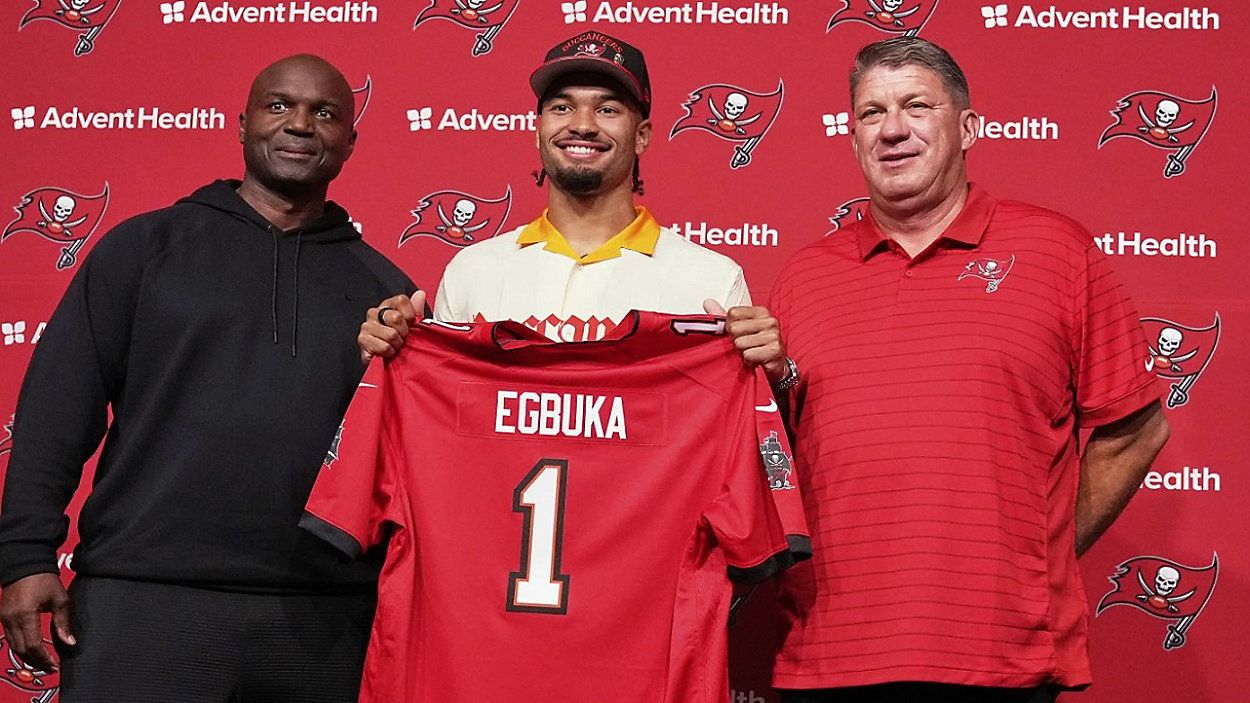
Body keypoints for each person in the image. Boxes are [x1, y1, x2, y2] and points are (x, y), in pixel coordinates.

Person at [728, 37, 1170, 702]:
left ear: (967, 127)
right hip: (829, 656)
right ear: (852, 139)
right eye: (871, 113)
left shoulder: (1058, 251)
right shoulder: (802, 274)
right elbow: (775, 454)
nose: (893, 128)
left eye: (916, 106)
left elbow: (1137, 430)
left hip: (997, 657)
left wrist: (1036, 560)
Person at [0, 54, 413, 702]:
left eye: (324, 112)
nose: (301, 123)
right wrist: (24, 555)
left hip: (323, 622)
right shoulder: (143, 249)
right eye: (280, 105)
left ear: (350, 142)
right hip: (143, 606)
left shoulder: (387, 293)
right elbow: (57, 406)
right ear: (243, 122)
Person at [357, 29, 786, 381]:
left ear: (643, 136)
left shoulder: (711, 280)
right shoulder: (473, 271)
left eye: (608, 109)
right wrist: (394, 359)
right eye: (562, 107)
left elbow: (747, 438)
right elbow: (439, 412)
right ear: (538, 129)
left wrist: (774, 375)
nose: (582, 125)